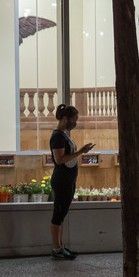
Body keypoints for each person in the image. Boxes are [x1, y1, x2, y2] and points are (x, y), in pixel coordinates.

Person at [49, 104, 95, 260]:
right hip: (61, 180)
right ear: (65, 119)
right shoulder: (57, 137)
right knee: (58, 214)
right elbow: (60, 159)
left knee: (62, 214)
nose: (75, 123)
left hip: (68, 180)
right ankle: (56, 248)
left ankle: (61, 246)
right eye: (74, 120)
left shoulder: (63, 134)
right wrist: (80, 152)